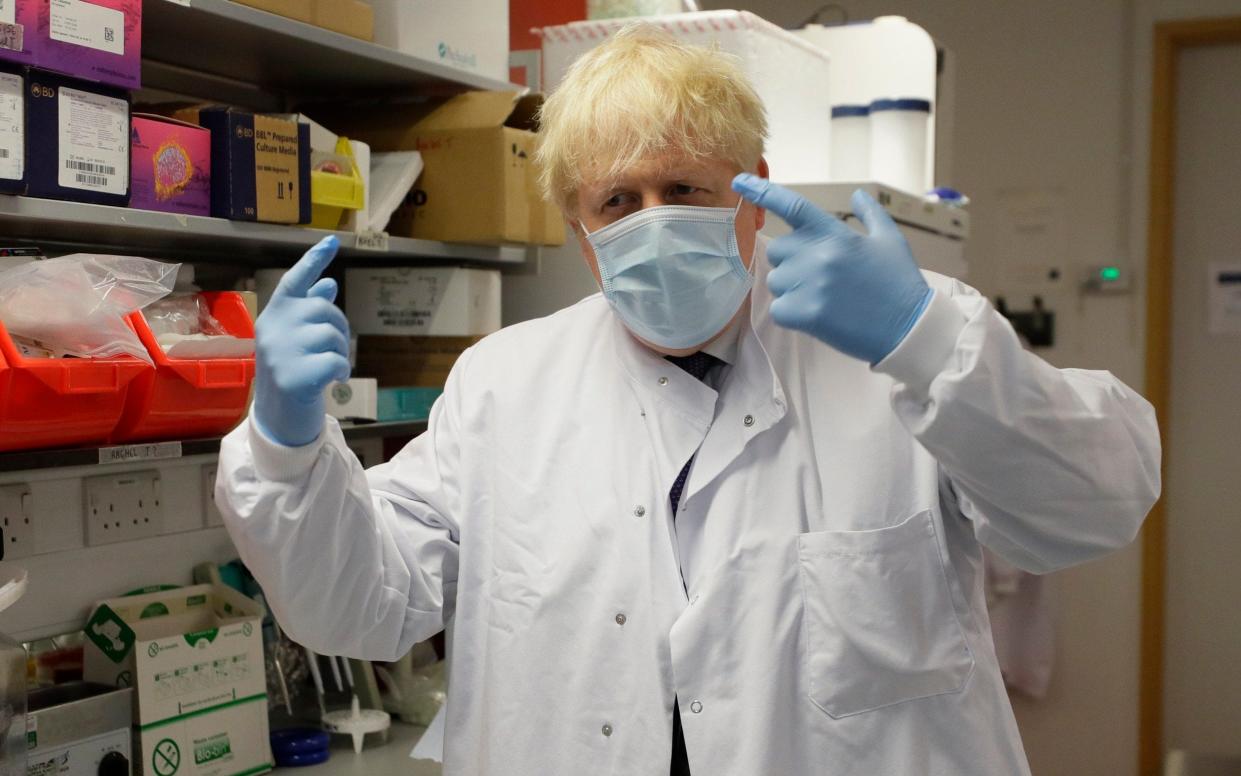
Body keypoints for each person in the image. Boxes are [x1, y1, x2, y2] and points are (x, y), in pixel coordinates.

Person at [217, 25, 1160, 776]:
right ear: (580, 235)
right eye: (618, 201)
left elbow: (1091, 503)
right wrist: (288, 442)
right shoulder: (503, 385)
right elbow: (363, 608)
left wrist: (920, 337)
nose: (655, 221)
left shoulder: (895, 350)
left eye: (686, 187)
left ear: (755, 199)